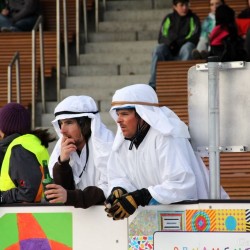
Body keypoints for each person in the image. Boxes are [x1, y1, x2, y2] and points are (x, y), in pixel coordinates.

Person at [104, 83, 229, 220]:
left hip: (200, 218)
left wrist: (142, 196)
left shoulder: (167, 136)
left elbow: (182, 184)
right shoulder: (123, 141)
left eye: (125, 114)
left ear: (142, 115)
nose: (119, 121)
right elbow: (119, 175)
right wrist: (120, 188)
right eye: (117, 114)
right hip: (158, 222)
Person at [46, 95, 114, 208]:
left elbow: (107, 189)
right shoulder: (62, 147)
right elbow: (61, 193)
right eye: (61, 123)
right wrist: (62, 163)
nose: (62, 130)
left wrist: (71, 196)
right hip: (76, 217)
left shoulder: (105, 143)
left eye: (68, 123)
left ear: (84, 124)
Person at [0, 102, 55, 204]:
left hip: (18, 215)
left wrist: (2, 197)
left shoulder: (19, 148)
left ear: (5, 128)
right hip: (38, 212)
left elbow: (28, 193)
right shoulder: (31, 142)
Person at [148, 0, 201, 89]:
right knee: (158, 49)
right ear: (175, 6)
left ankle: (185, 83)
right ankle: (153, 85)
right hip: (169, 51)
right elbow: (161, 37)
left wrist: (178, 43)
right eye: (182, 5)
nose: (185, 8)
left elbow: (194, 37)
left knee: (188, 47)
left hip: (184, 52)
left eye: (186, 5)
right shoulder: (168, 18)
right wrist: (171, 44)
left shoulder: (194, 18)